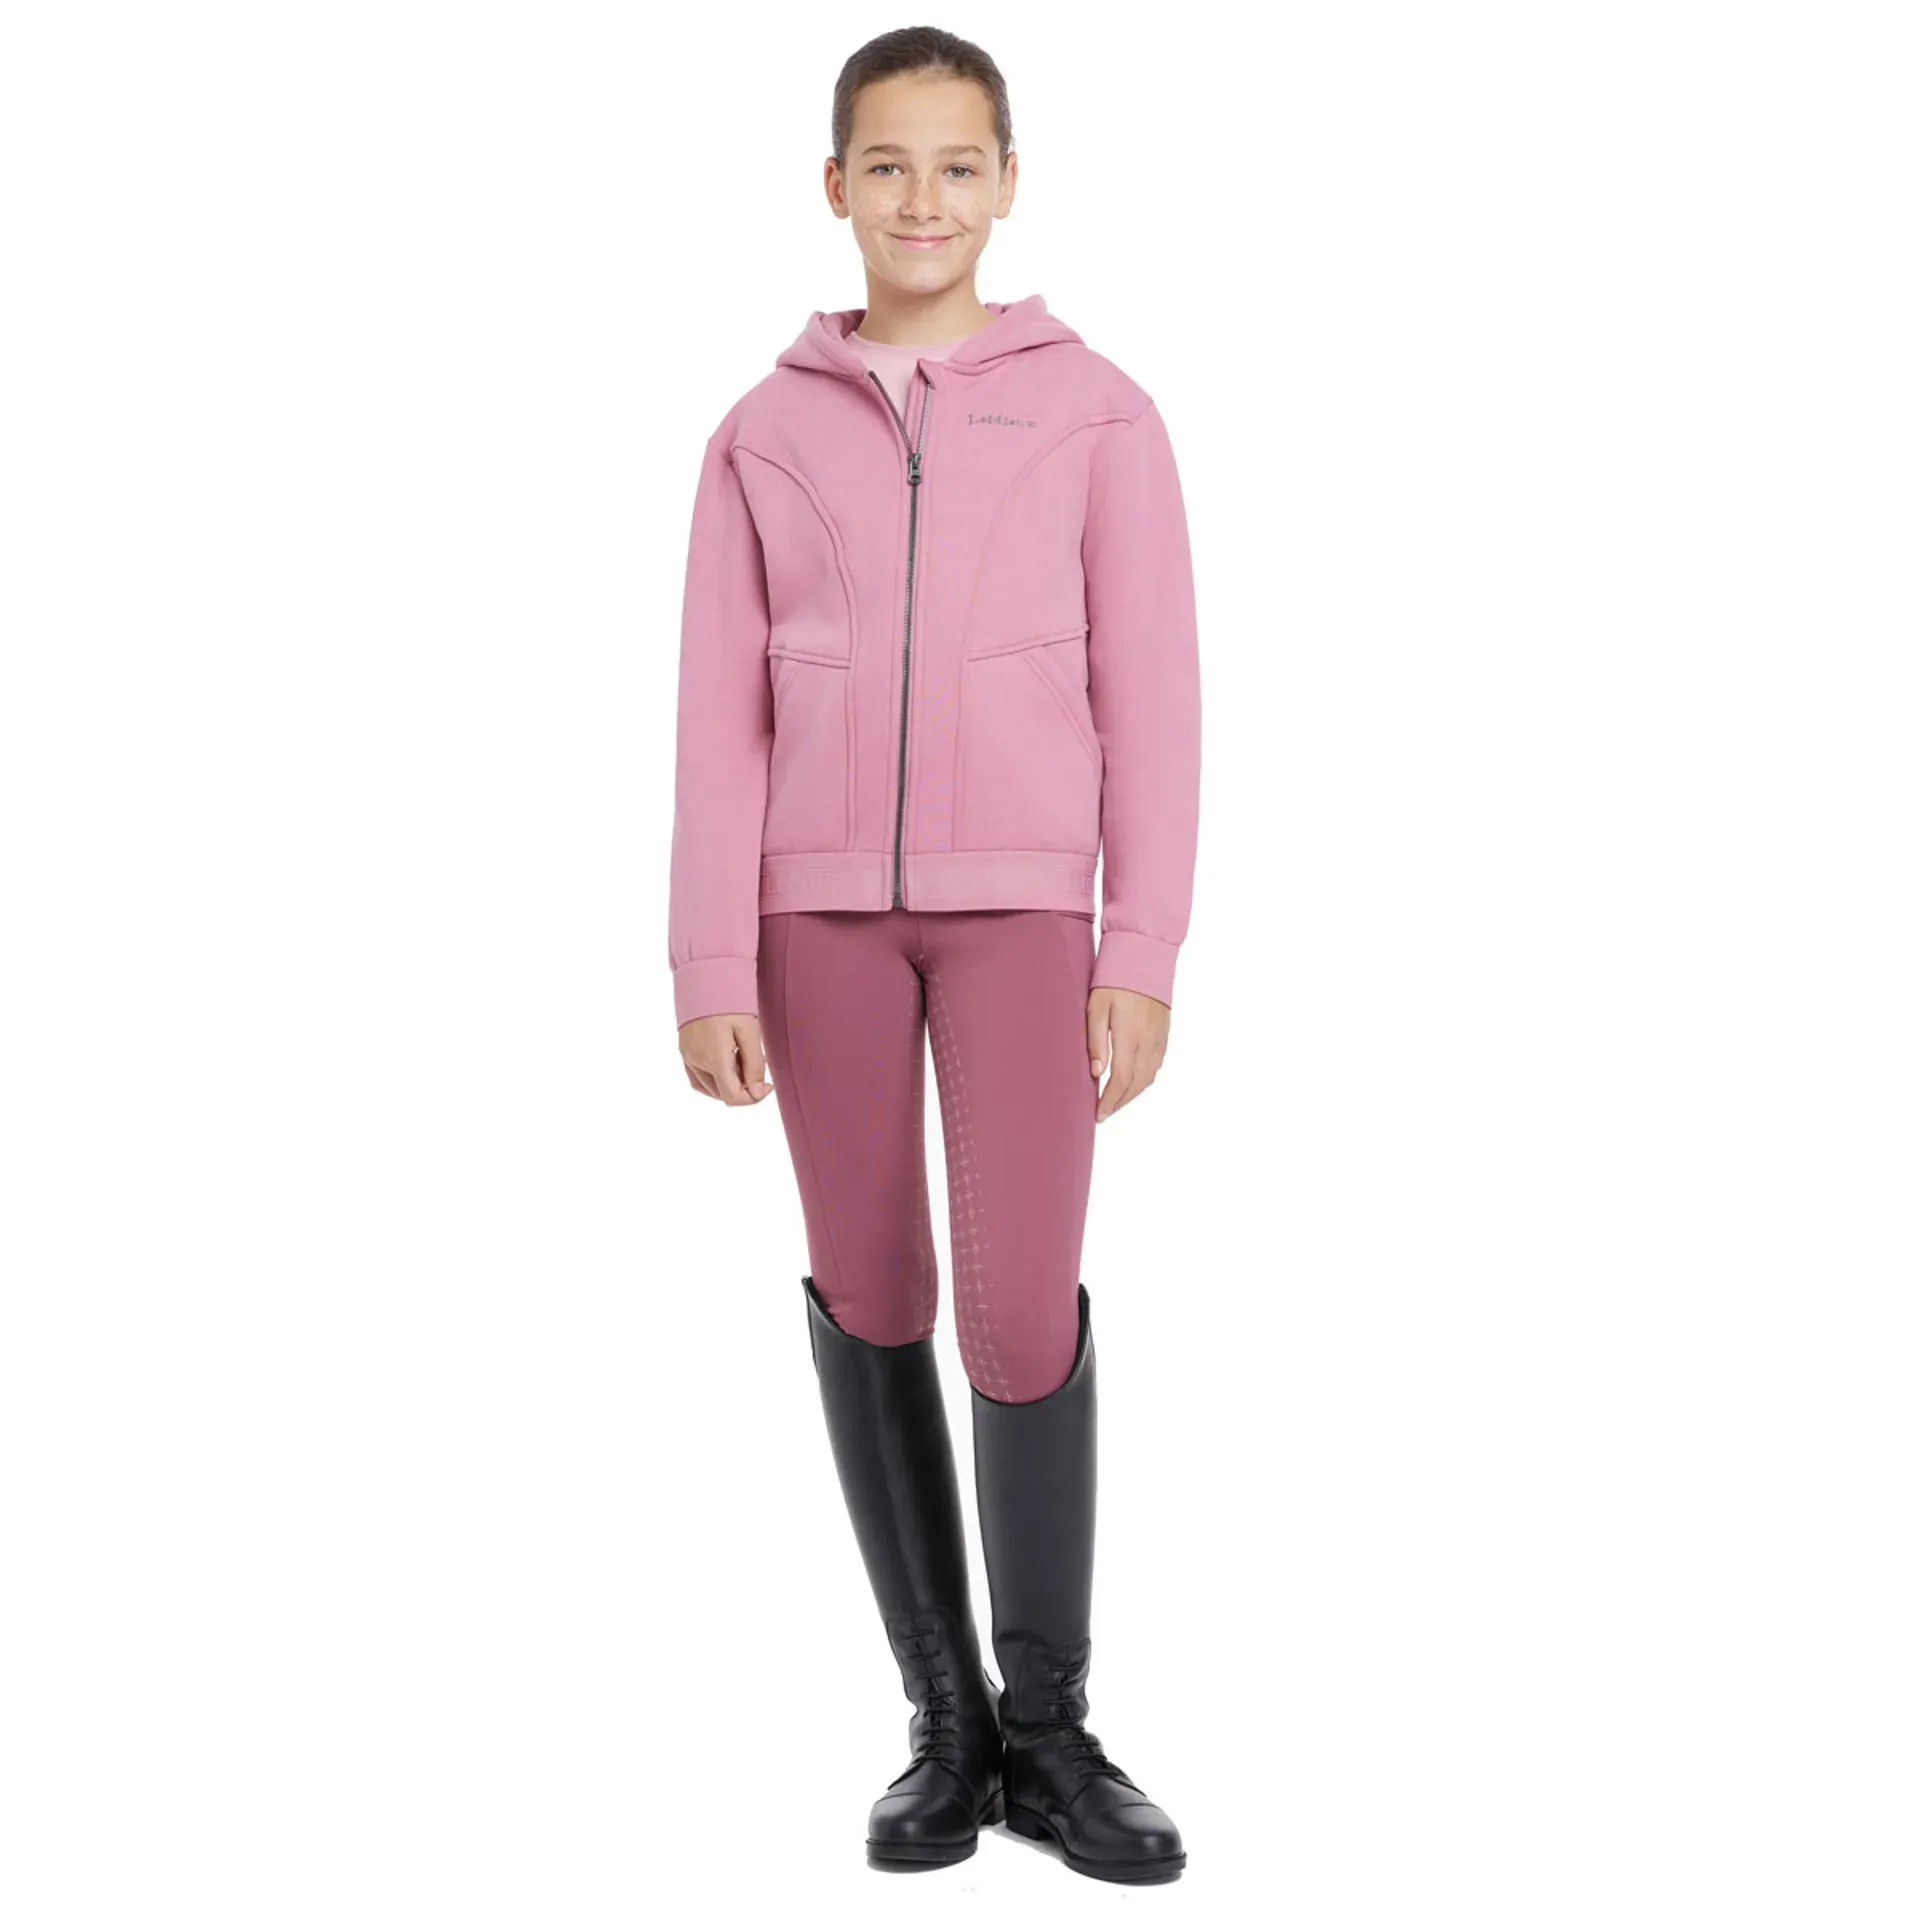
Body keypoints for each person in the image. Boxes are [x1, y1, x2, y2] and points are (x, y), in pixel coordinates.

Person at [667, 26, 1200, 1886]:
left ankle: (1051, 1734)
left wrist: (1141, 943)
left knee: (1021, 1310)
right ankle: (946, 1726)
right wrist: (707, 962)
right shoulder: (759, 431)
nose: (923, 200)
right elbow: (717, 717)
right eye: (887, 166)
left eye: (958, 165)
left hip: (1027, 917)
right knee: (873, 1291)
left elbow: (1155, 699)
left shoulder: (1100, 414)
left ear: (1009, 183)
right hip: (809, 914)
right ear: (835, 186)